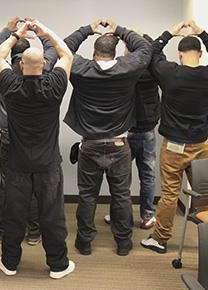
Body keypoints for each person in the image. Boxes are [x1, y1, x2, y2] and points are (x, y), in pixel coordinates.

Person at [0, 20, 74, 279]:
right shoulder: (55, 86)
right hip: (47, 165)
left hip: (17, 164)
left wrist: (18, 33)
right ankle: (58, 265)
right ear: (45, 66)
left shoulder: (11, 87)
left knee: (14, 215)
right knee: (51, 216)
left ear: (20, 66)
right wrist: (45, 31)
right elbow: (66, 54)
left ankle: (10, 263)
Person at [63, 19, 152, 256]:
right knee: (122, 196)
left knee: (87, 197)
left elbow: (62, 48)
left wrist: (86, 30)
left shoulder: (81, 69)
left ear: (94, 53)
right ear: (114, 51)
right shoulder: (127, 68)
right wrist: (120, 29)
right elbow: (145, 48)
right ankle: (123, 243)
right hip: (119, 144)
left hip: (89, 145)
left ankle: (84, 243)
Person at [141, 20, 208, 254]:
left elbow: (151, 53)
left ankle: (160, 240)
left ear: (180, 55)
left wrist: (169, 32)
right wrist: (200, 31)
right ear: (200, 54)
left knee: (170, 194)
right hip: (201, 146)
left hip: (174, 146)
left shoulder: (169, 72)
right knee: (206, 194)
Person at [0, 16, 59, 245]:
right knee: (39, 186)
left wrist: (11, 30)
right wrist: (40, 31)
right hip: (40, 142)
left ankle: (3, 230)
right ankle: (35, 232)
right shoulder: (44, 72)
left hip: (10, 139)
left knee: (8, 184)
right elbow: (55, 51)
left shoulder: (4, 73)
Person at [104, 33, 160, 230]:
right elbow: (154, 50)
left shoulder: (123, 67)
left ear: (128, 48)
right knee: (148, 176)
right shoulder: (154, 69)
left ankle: (118, 214)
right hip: (146, 130)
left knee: (119, 177)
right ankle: (147, 216)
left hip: (124, 131)